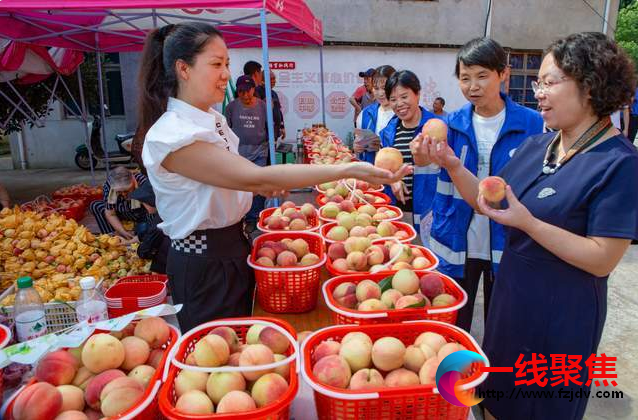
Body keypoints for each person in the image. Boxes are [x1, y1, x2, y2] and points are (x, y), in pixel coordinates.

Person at [414, 32, 638, 420]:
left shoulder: (618, 162)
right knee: (495, 401)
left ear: (590, 84)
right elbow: (487, 203)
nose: (539, 93)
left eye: (550, 82)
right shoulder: (541, 145)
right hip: (510, 304)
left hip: (561, 316)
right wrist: (452, 163)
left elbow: (602, 259)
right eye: (539, 83)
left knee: (540, 409)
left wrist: (529, 223)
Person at [137, 22, 411, 332]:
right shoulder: (172, 136)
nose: (226, 74)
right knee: (217, 361)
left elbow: (234, 182)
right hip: (204, 260)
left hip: (234, 248)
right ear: (183, 69)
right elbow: (254, 177)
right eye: (216, 64)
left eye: (227, 63)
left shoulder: (212, 119)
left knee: (240, 350)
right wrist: (346, 169)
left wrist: (263, 186)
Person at [410, 38, 544, 333]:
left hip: (506, 243)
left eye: (482, 76)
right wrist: (419, 154)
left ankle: (494, 379)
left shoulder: (533, 124)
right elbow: (423, 162)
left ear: (503, 73)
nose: (473, 86)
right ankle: (457, 378)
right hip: (456, 240)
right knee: (453, 324)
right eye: (465, 78)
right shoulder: (450, 124)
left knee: (504, 326)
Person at [379, 70, 438, 236]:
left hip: (430, 210)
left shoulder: (436, 127)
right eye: (393, 99)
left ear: (417, 94)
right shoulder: (388, 132)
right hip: (399, 211)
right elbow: (384, 169)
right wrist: (392, 180)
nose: (399, 104)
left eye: (404, 97)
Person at [225, 75, 269, 233]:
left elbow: (270, 126)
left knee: (258, 183)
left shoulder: (263, 106)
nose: (245, 95)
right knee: (242, 186)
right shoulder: (231, 107)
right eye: (241, 92)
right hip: (239, 152)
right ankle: (241, 216)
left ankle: (254, 217)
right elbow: (226, 130)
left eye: (248, 91)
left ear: (253, 89)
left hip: (259, 151)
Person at [89, 166, 149, 240]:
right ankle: (112, 237)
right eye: (119, 192)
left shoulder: (142, 181)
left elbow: (152, 210)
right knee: (96, 205)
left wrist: (138, 192)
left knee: (143, 230)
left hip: (141, 216)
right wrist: (122, 231)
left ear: (133, 181)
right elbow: (111, 214)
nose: (123, 194)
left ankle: (137, 233)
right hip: (121, 213)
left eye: (126, 191)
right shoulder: (109, 185)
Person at [353, 65, 396, 164]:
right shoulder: (365, 114)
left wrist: (381, 147)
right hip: (370, 172)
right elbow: (358, 143)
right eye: (376, 88)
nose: (381, 93)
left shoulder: (403, 115)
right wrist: (357, 146)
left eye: (384, 88)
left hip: (394, 173)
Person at [130, 181, 169, 274]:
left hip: (168, 264)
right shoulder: (167, 211)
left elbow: (145, 250)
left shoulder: (160, 221)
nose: (143, 205)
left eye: (144, 202)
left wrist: (139, 251)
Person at [243, 61, 285, 141]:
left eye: (274, 79)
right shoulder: (256, 91)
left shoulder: (273, 93)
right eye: (271, 79)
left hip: (273, 133)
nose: (274, 81)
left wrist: (282, 126)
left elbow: (278, 111)